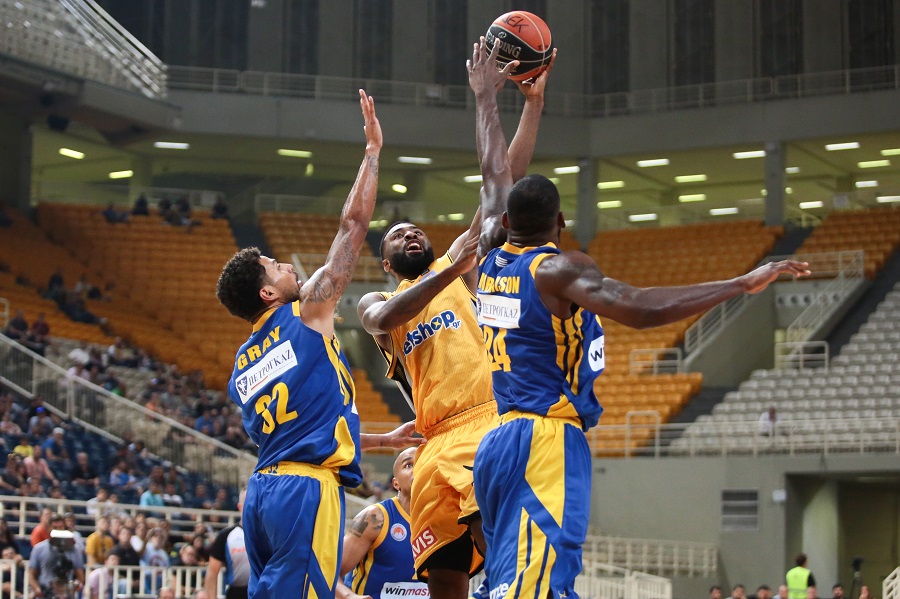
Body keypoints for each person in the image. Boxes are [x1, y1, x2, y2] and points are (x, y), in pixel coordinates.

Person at [467, 38, 812, 599]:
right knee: (532, 589)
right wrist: (741, 282)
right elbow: (642, 308)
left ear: (506, 221)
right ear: (559, 223)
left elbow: (492, 175)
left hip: (498, 439)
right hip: (545, 439)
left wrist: (491, 98)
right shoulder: (556, 270)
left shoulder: (489, 253)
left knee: (507, 581)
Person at [355, 51, 549, 599]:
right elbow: (386, 316)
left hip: (487, 417)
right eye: (397, 236)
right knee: (446, 569)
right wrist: (452, 268)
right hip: (435, 439)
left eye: (416, 229)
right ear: (388, 263)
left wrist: (531, 105)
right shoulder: (381, 300)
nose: (410, 234)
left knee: (500, 532)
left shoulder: (459, 266)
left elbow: (501, 186)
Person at [216, 90, 419, 599]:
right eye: (274, 266)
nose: (287, 265)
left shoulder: (243, 364)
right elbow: (353, 228)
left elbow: (294, 431)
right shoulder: (307, 315)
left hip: (261, 494)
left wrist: (379, 442)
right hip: (305, 490)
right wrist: (372, 153)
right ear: (267, 293)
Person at [337, 448, 426, 599]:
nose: (417, 469)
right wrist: (349, 597)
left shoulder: (444, 522)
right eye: (408, 465)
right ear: (395, 483)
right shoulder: (375, 518)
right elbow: (330, 572)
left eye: (423, 463)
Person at [205, 489, 249, 599]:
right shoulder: (226, 536)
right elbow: (211, 574)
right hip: (236, 593)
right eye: (248, 501)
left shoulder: (268, 534)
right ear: (240, 506)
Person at [29, 528, 85, 598]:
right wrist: (38, 590)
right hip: (45, 591)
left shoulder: (75, 550)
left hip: (67, 590)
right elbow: (31, 575)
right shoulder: (39, 548)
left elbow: (80, 576)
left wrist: (76, 585)